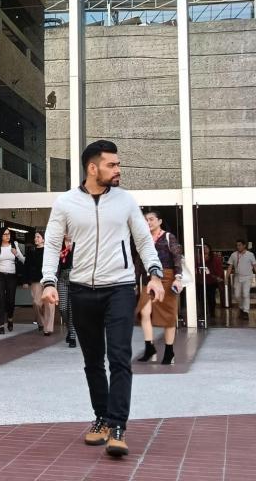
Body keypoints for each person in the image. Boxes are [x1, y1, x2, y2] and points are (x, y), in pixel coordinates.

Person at [41, 140, 164, 458]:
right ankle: (102, 417)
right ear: (92, 168)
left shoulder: (126, 201)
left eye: (118, 164)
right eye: (112, 165)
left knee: (120, 357)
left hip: (119, 289)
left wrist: (154, 273)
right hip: (81, 290)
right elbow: (52, 244)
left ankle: (118, 425)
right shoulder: (66, 203)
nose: (118, 169)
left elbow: (143, 240)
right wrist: (49, 281)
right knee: (93, 360)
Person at [135, 210, 183, 365]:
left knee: (168, 315)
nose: (148, 222)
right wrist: (135, 281)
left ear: (160, 221)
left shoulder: (168, 237)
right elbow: (138, 261)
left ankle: (169, 351)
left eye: (151, 219)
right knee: (144, 312)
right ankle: (149, 348)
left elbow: (177, 258)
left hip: (167, 277)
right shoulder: (143, 238)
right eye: (145, 220)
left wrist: (178, 278)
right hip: (148, 279)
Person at [0, 227, 25, 334]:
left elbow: (23, 260)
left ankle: (10, 319)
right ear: (0, 236)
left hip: (12, 276)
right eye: (5, 234)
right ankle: (1, 325)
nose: (8, 236)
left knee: (10, 300)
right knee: (0, 299)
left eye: (9, 234)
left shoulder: (14, 245)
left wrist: (17, 253)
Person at [25, 231, 56, 335]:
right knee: (36, 303)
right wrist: (25, 280)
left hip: (48, 280)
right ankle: (41, 322)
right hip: (36, 280)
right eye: (35, 237)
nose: (36, 239)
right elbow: (26, 266)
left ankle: (48, 328)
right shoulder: (31, 251)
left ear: (43, 239)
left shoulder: (49, 251)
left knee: (49, 305)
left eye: (38, 237)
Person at [227, 239, 256, 318]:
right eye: (237, 245)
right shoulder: (234, 255)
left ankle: (246, 311)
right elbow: (230, 266)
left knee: (245, 294)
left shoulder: (250, 254)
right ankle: (241, 307)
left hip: (247, 277)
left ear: (244, 245)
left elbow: (255, 266)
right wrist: (226, 277)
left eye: (240, 245)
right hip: (237, 277)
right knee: (237, 295)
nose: (238, 247)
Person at [57, 234, 77, 348]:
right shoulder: (59, 245)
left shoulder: (78, 243)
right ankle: (70, 329)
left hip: (75, 279)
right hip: (62, 279)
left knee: (72, 309)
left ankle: (72, 336)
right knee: (63, 308)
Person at [196, 243, 224, 320]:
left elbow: (219, 268)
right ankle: (203, 312)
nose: (205, 249)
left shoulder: (215, 258)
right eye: (203, 247)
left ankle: (212, 312)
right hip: (200, 281)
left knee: (211, 298)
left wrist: (218, 276)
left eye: (206, 247)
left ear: (209, 249)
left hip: (211, 281)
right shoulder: (198, 258)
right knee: (201, 298)